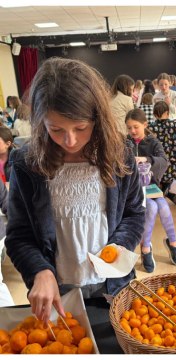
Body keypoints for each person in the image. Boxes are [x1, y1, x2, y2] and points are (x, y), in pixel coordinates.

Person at [6, 58, 144, 321]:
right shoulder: (28, 164)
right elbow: (19, 235)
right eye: (55, 129)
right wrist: (39, 271)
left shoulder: (119, 154)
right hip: (59, 290)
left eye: (81, 128)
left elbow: (134, 213)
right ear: (40, 122)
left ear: (97, 118)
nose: (70, 140)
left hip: (113, 286)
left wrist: (116, 248)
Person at [125, 109, 174, 272]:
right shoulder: (126, 143)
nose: (132, 131)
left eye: (136, 127)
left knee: (164, 207)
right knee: (152, 208)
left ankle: (173, 243)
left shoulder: (153, 142)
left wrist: (146, 159)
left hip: (151, 187)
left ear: (145, 125)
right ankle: (146, 248)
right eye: (129, 128)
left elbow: (163, 161)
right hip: (135, 189)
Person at [150, 101, 176, 205]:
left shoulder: (150, 128)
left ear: (154, 114)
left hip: (158, 167)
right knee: (167, 176)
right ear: (168, 112)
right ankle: (167, 193)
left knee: (161, 177)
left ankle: (163, 194)